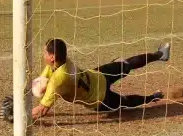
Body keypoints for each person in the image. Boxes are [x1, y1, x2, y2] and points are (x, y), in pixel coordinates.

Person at [31, 38, 170, 122]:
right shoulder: (63, 61)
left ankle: (152, 97)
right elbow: (43, 80)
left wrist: (22, 118)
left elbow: (42, 110)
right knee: (127, 64)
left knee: (124, 102)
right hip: (97, 75)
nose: (43, 55)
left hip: (99, 99)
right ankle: (160, 54)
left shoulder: (57, 80)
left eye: (45, 53)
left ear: (52, 57)